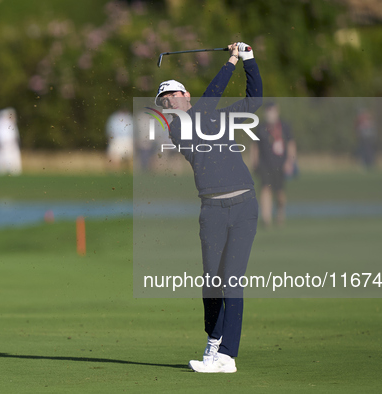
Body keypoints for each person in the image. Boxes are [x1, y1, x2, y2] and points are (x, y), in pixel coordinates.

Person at [155, 42, 262, 373]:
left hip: (244, 206)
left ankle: (227, 355)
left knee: (232, 279)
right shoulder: (178, 127)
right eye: (164, 102)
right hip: (212, 211)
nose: (169, 102)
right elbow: (206, 103)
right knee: (211, 282)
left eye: (172, 96)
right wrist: (230, 59)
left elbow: (254, 100)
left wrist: (248, 60)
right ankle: (213, 341)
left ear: (185, 94)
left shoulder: (217, 116)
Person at [250, 102, 296, 227]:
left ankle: (280, 212)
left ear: (277, 111)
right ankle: (266, 219)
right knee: (265, 188)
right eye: (268, 111)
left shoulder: (284, 126)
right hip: (265, 164)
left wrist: (290, 162)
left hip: (280, 164)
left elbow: (291, 144)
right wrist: (254, 161)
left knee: (279, 193)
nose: (270, 114)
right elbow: (255, 145)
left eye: (272, 111)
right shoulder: (260, 128)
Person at [0, 108, 22, 176]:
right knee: (1, 156)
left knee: (13, 156)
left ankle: (14, 170)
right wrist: (0, 141)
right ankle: (0, 170)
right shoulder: (1, 123)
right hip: (4, 143)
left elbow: (14, 133)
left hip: (11, 143)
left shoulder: (11, 123)